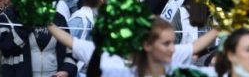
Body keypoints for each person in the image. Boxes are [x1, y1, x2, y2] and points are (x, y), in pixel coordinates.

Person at [47, 16, 218, 76]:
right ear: (147, 45)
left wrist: (221, 27)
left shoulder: (172, 60)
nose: (173, 48)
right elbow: (72, 42)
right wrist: (47, 22)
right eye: (167, 43)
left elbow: (194, 47)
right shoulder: (110, 61)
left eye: (173, 42)